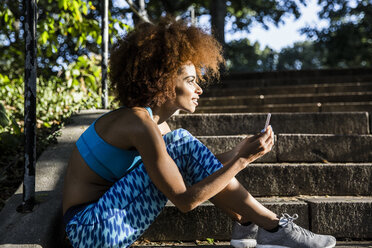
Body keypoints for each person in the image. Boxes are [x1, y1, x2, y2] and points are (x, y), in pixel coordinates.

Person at [62, 17, 336, 248]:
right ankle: (275, 228)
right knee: (181, 142)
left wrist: (239, 151)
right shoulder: (137, 123)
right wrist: (242, 161)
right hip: (90, 228)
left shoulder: (151, 125)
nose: (199, 89)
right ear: (164, 82)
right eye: (191, 80)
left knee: (181, 145)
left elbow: (188, 170)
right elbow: (184, 200)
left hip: (104, 220)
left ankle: (247, 222)